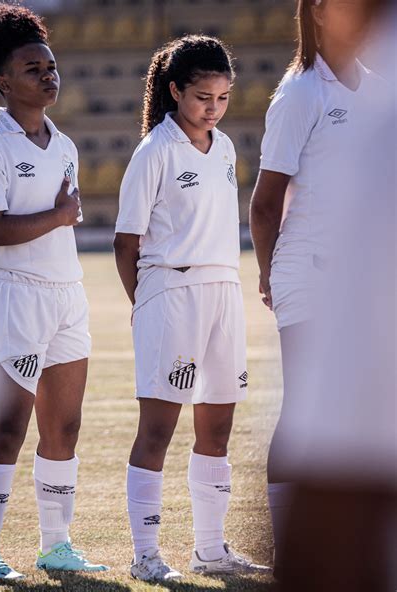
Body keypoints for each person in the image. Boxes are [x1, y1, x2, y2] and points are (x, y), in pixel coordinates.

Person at [114, 34, 270, 582]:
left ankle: (210, 549)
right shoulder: (154, 151)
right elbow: (126, 242)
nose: (214, 108)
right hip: (170, 292)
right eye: (204, 96)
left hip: (223, 291)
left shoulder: (224, 147)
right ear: (175, 91)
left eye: (223, 97)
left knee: (218, 427)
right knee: (157, 428)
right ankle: (146, 555)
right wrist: (148, 303)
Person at [0, 3, 108, 579]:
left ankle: (56, 544)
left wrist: (59, 218)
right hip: (11, 298)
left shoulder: (65, 144)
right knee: (8, 429)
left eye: (50, 66)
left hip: (66, 295)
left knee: (64, 428)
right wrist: (59, 215)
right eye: (32, 68)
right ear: (1, 80)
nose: (49, 75)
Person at [249, 0, 390, 579]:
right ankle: (286, 545)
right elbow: (265, 200)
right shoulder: (301, 93)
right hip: (305, 272)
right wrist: (267, 273)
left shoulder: (379, 88)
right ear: (321, 13)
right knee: (309, 409)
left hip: (363, 277)